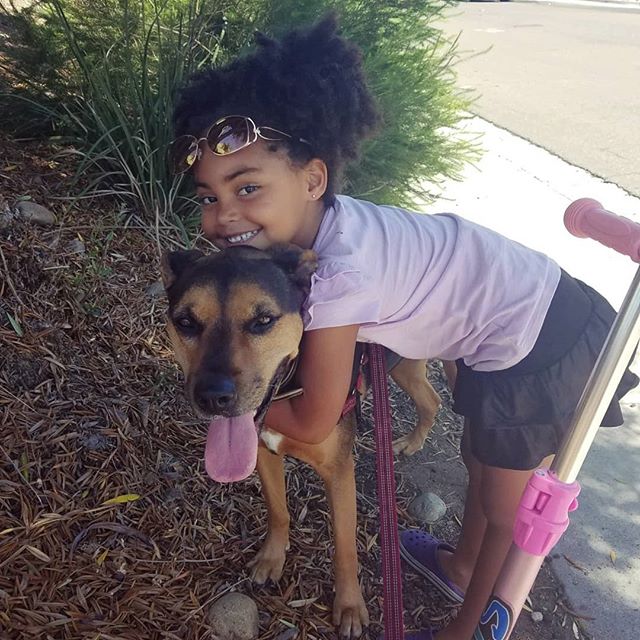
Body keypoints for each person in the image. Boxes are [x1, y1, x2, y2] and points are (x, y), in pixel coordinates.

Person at [169, 15, 638, 640]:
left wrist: (236, 408)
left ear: (313, 179)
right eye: (208, 196)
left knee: (506, 508)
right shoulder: (311, 237)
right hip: (501, 320)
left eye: (247, 186)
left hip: (538, 333)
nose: (225, 214)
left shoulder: (338, 274)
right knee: (477, 456)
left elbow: (312, 421)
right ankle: (459, 564)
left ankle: (470, 629)